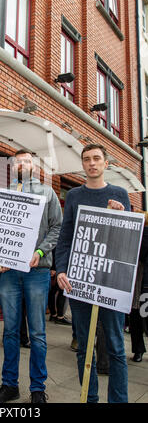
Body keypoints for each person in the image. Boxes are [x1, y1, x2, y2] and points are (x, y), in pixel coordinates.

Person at [55, 143, 130, 403]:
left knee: (116, 347)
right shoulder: (74, 195)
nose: (92, 163)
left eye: (97, 158)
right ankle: (90, 398)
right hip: (80, 282)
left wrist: (122, 216)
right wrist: (61, 269)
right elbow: (65, 238)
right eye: (87, 159)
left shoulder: (120, 194)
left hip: (110, 283)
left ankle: (118, 400)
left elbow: (128, 243)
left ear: (106, 163)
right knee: (84, 349)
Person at [0, 150, 62, 404]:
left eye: (27, 160)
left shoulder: (47, 193)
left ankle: (38, 388)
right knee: (9, 331)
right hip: (8, 273)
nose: (22, 164)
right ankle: (9, 385)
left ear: (35, 166)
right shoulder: (2, 193)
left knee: (38, 333)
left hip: (37, 271)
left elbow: (57, 227)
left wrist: (40, 252)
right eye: (18, 161)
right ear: (13, 166)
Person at [129, 213, 148, 362]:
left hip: (140, 284)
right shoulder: (139, 235)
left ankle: (138, 351)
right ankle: (138, 350)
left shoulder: (142, 235)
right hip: (139, 283)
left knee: (137, 317)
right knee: (139, 316)